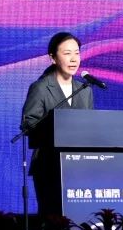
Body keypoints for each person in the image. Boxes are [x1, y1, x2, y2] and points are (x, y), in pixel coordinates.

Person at [20, 31, 96, 217]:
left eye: (77, 53)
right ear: (53, 58)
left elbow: (91, 126)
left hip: (81, 167)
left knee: (80, 218)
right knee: (53, 219)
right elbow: (28, 124)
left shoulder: (84, 90)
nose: (74, 59)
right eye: (67, 53)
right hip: (49, 166)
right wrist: (55, 128)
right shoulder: (41, 87)